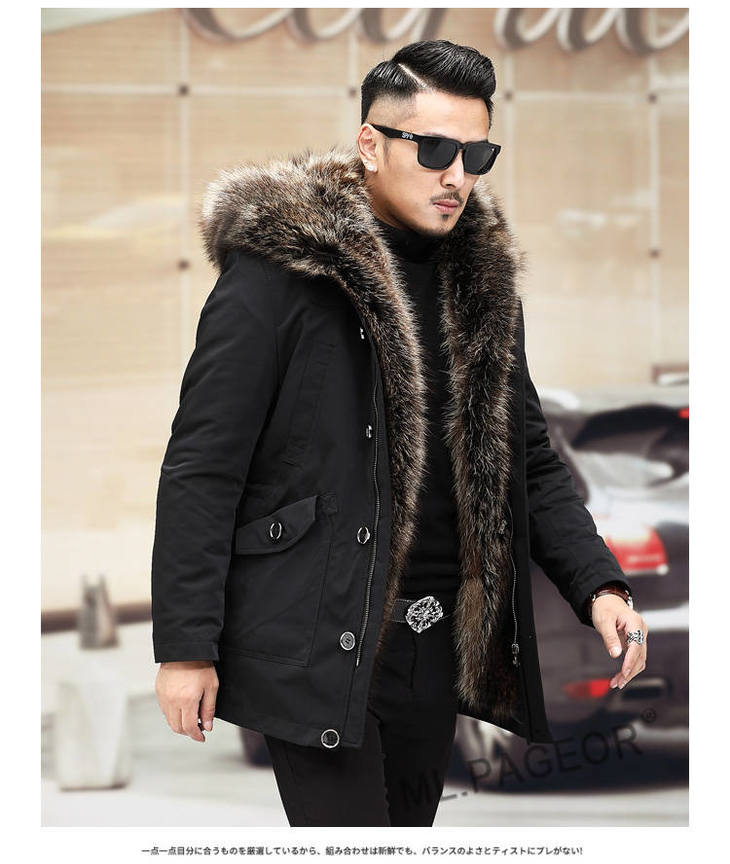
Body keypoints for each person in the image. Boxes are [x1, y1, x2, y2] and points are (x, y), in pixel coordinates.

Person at [151, 39, 648, 827]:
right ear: (370, 144)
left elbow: (527, 458)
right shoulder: (279, 276)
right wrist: (185, 647)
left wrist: (600, 585)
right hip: (319, 641)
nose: (458, 176)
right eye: (436, 150)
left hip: (435, 646)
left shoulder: (481, 285)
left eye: (477, 154)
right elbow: (202, 468)